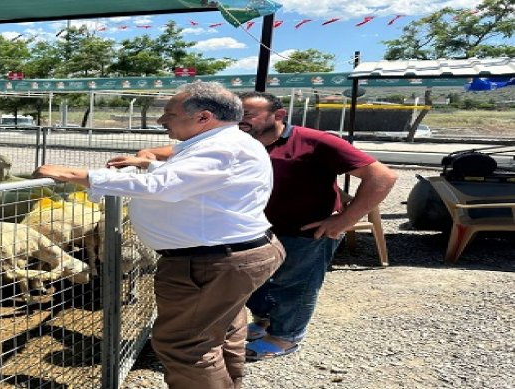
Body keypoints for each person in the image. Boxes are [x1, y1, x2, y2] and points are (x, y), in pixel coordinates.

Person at [34, 82, 284, 389]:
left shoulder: (222, 147)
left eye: (169, 113)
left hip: (210, 262)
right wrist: (148, 163)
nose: (162, 120)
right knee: (222, 329)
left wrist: (75, 175)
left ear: (204, 117)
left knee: (185, 345)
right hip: (230, 254)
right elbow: (192, 174)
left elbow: (163, 185)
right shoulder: (222, 141)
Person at [136, 91, 397, 361]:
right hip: (252, 233)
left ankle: (286, 337)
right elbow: (176, 152)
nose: (239, 120)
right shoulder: (233, 140)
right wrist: (149, 156)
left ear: (279, 116)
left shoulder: (316, 142)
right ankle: (263, 323)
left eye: (248, 114)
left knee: (295, 286)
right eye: (237, 114)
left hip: (306, 231)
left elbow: (382, 176)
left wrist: (344, 219)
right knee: (257, 286)